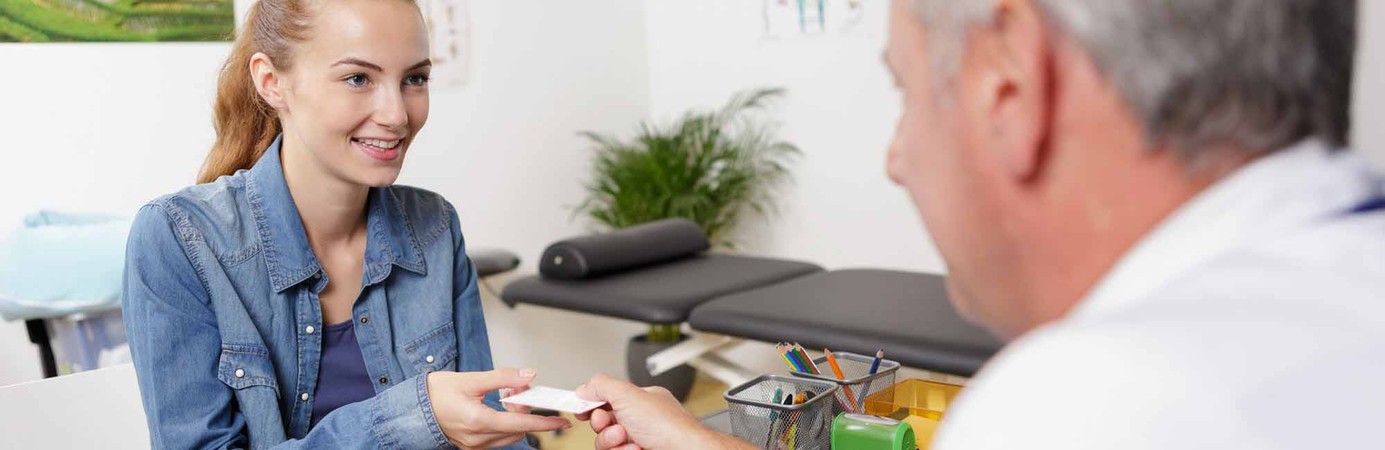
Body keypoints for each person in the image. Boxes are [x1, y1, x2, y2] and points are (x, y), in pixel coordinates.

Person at [576, 0, 1384, 448]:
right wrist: (692, 438)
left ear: (1008, 84)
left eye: (906, 93)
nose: (896, 158)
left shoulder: (1095, 402)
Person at [120, 0, 568, 447]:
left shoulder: (434, 227)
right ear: (272, 82)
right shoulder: (179, 238)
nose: (396, 114)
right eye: (358, 78)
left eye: (414, 78)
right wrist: (413, 416)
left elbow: (489, 430)